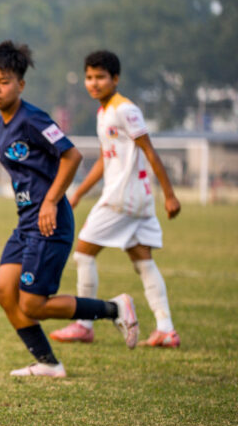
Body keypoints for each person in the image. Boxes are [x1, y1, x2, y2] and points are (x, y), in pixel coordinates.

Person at [0, 41, 139, 378]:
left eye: (4, 81)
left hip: (49, 221)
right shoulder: (0, 125)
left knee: (33, 303)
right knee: (4, 292)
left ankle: (114, 309)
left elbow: (72, 155)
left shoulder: (33, 119)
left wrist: (51, 200)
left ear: (20, 84)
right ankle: (48, 364)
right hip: (26, 223)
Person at [50, 50, 181, 348]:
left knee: (83, 253)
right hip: (135, 199)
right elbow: (104, 160)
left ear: (115, 79)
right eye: (89, 77)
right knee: (143, 260)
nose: (94, 83)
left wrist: (170, 195)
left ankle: (84, 324)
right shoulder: (103, 112)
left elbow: (149, 151)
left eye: (100, 77)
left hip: (123, 197)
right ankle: (166, 329)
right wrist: (78, 193)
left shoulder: (125, 110)